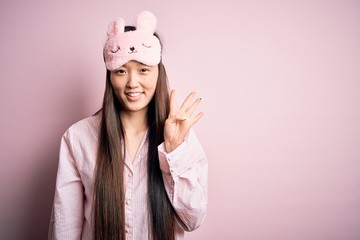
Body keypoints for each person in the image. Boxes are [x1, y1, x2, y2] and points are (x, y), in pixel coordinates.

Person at [49, 10, 208, 240]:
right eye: (121, 71)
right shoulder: (77, 137)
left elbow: (193, 221)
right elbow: (64, 226)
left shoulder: (181, 137)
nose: (133, 83)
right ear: (110, 76)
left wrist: (174, 152)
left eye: (144, 69)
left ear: (158, 72)